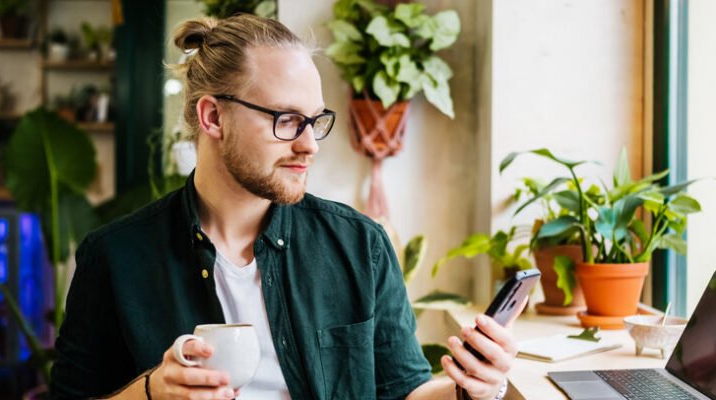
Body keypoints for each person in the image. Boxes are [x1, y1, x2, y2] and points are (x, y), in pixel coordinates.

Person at [50, 14, 522, 400]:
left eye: (314, 121)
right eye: (287, 120)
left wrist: (477, 389)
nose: (310, 144)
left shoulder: (361, 245)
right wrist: (150, 392)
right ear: (213, 116)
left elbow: (403, 392)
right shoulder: (115, 257)